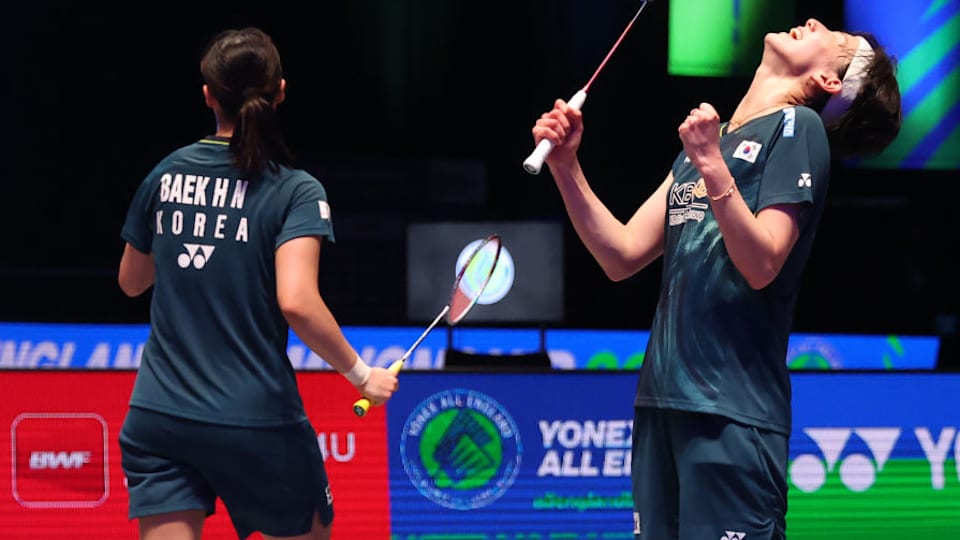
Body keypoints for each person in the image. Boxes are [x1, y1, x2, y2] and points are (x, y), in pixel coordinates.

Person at [530, 18, 901, 540]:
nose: (815, 22)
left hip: (733, 413)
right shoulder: (703, 148)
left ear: (830, 82)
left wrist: (712, 165)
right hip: (662, 402)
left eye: (834, 41)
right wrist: (567, 168)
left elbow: (763, 261)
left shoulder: (797, 131)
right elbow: (621, 255)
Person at [117, 27, 398, 540]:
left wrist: (190, 233)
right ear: (281, 92)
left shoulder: (165, 175)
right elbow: (296, 301)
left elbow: (132, 282)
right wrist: (361, 376)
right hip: (256, 419)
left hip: (158, 415)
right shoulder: (295, 190)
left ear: (207, 95)